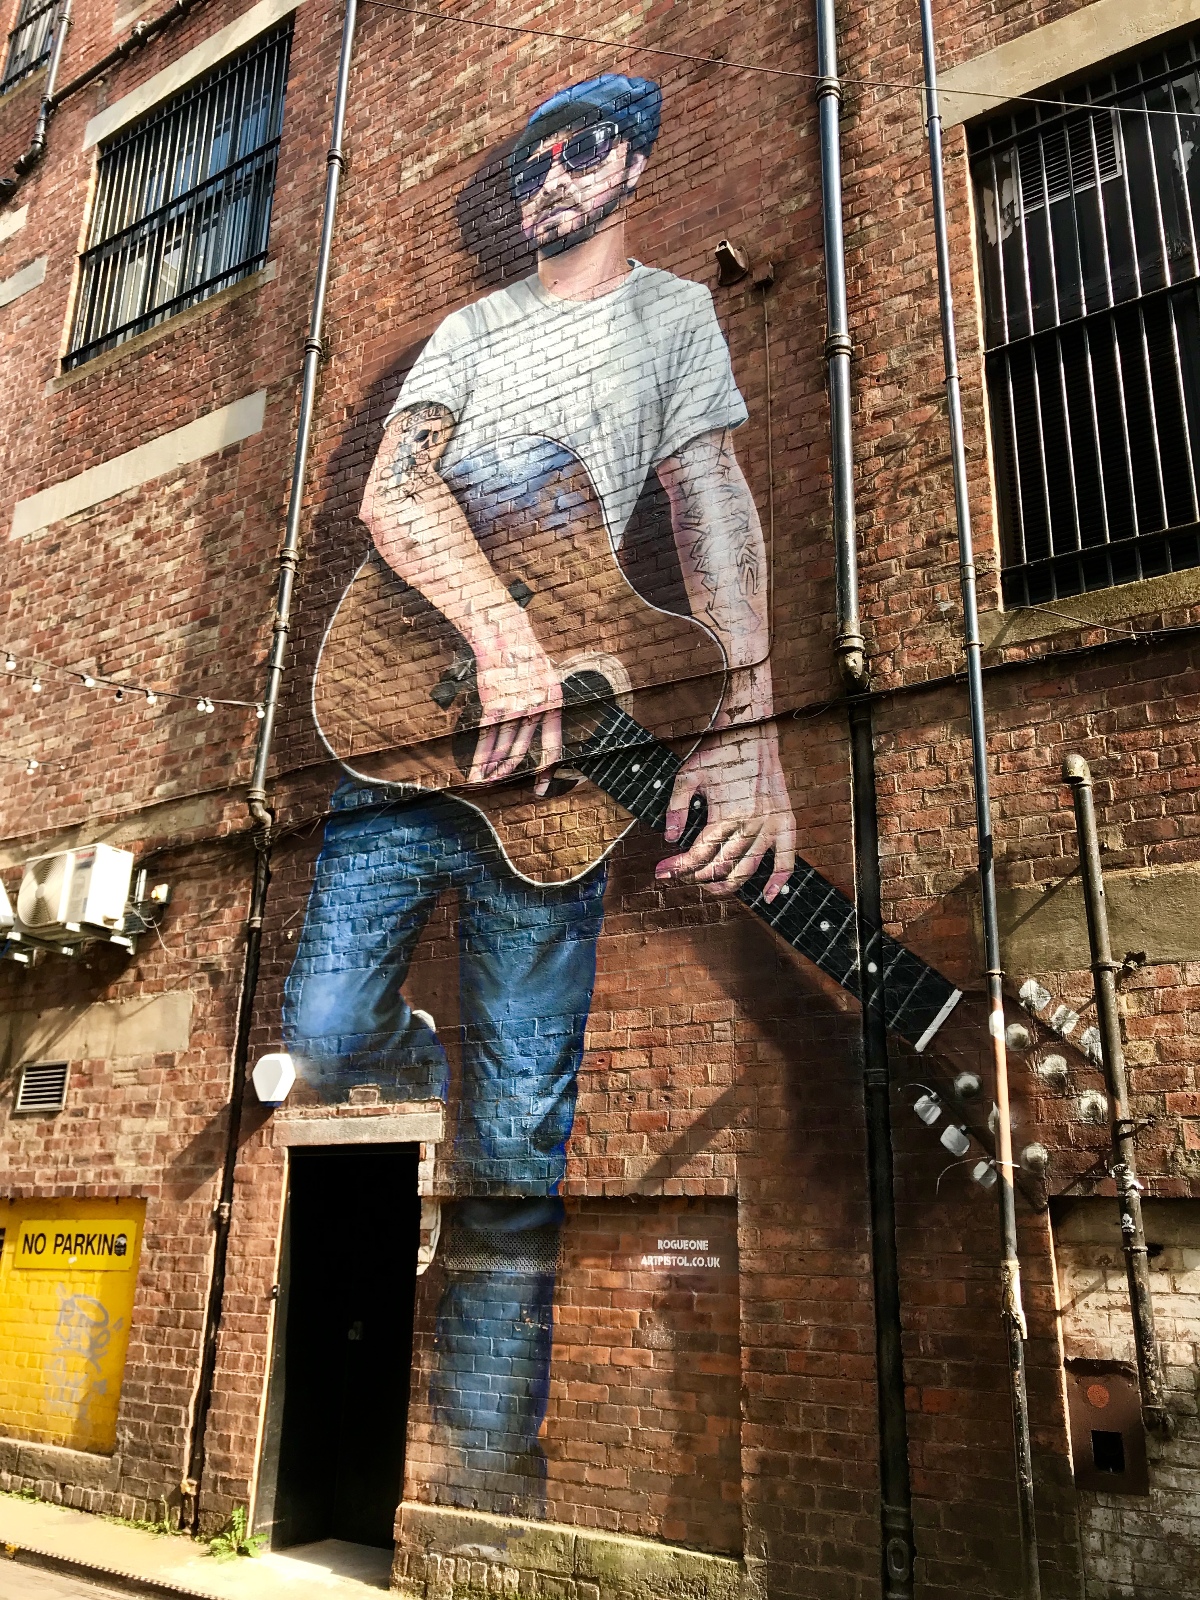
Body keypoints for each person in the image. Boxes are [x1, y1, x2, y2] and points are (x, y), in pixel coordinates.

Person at [283, 73, 796, 1512]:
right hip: (409, 731)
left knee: (519, 1141)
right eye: (530, 165)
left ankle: (488, 1483)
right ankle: (412, 1062)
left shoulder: (674, 319)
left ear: (632, 161)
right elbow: (396, 493)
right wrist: (501, 635)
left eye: (580, 152)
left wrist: (751, 726)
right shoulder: (473, 328)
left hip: (559, 795)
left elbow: (710, 504)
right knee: (321, 1036)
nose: (551, 180)